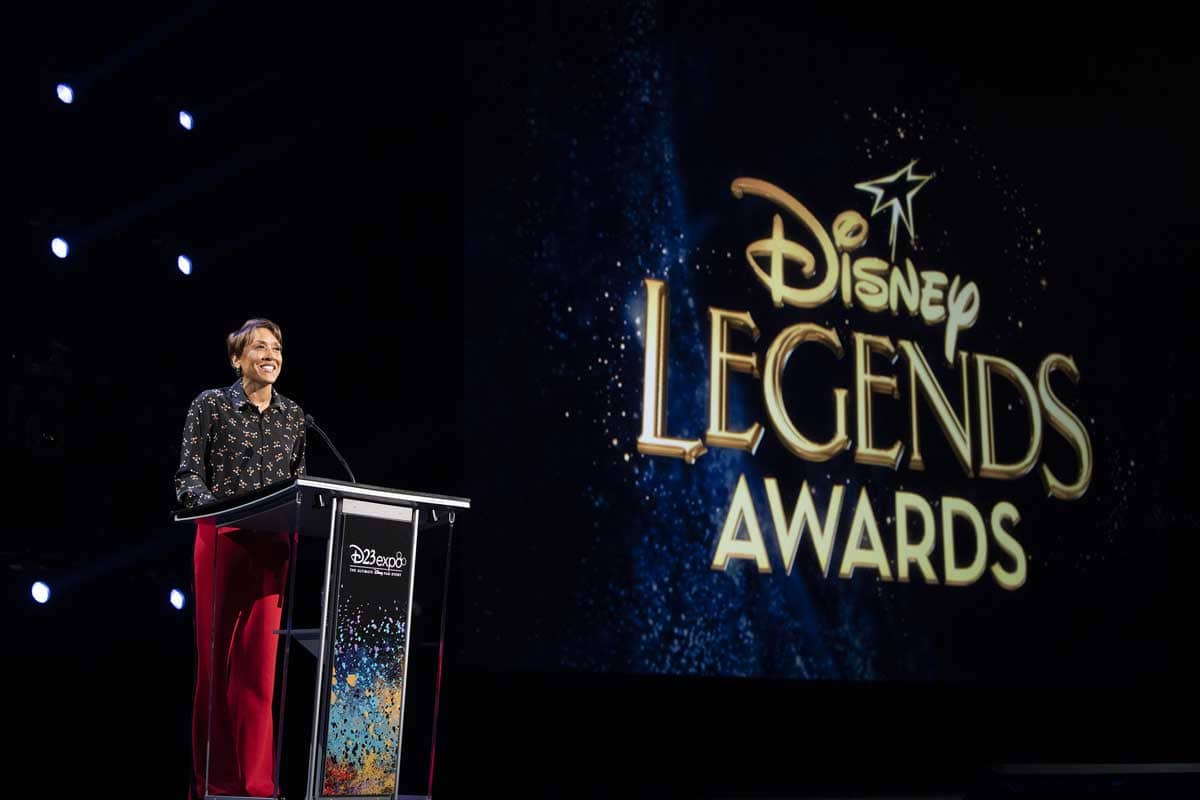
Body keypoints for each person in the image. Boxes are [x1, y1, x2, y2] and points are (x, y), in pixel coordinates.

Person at [175, 318, 306, 799]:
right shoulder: (210, 405)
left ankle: (257, 785)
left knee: (260, 671)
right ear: (237, 359)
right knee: (217, 666)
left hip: (273, 546)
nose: (271, 355)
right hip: (223, 537)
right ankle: (216, 781)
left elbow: (301, 483)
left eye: (277, 348)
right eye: (259, 347)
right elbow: (188, 477)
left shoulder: (295, 417)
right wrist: (217, 508)